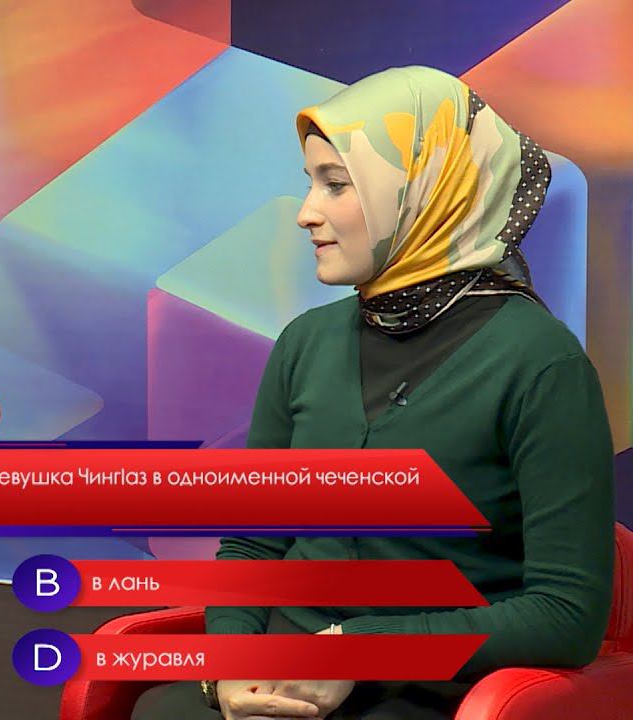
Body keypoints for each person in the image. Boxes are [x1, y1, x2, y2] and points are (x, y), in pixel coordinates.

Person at [133, 66, 614, 719]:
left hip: (435, 695)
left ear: (424, 191)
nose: (306, 213)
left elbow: (566, 617)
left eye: (336, 184)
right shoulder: (304, 342)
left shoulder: (541, 364)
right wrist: (233, 664)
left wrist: (361, 650)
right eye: (310, 183)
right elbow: (252, 545)